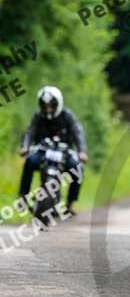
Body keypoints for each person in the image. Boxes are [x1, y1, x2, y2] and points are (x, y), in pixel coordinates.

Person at [19, 86, 89, 215]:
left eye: (51, 105)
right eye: (45, 105)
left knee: (77, 168)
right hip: (43, 150)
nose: (48, 108)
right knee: (29, 161)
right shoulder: (38, 116)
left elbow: (78, 133)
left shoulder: (67, 116)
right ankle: (23, 196)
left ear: (58, 103)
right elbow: (30, 131)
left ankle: (70, 203)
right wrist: (25, 146)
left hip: (64, 152)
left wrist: (82, 151)